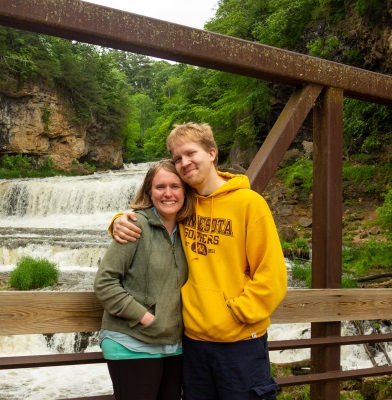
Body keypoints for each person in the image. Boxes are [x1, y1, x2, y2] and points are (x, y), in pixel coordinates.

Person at [111, 123, 288, 400]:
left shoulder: (249, 203)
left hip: (240, 342)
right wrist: (117, 221)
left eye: (191, 153)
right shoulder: (185, 203)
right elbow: (149, 214)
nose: (184, 162)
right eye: (177, 158)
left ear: (212, 153)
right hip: (192, 343)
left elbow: (272, 275)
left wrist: (236, 314)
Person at [94, 159, 192, 400]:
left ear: (185, 191)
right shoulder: (133, 226)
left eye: (175, 186)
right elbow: (105, 282)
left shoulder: (189, 230)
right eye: (160, 187)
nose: (168, 193)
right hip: (131, 343)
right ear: (149, 191)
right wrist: (145, 317)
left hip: (173, 345)